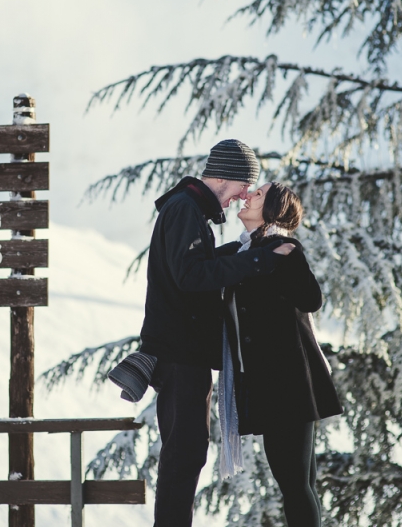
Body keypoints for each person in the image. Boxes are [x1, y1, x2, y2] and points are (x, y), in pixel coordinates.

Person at [142, 139, 292, 527]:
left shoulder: (187, 210)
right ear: (224, 177)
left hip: (183, 351)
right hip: (181, 354)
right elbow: (191, 276)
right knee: (185, 454)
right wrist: (258, 259)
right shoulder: (184, 211)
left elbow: (196, 264)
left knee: (186, 453)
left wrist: (241, 251)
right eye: (245, 186)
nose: (244, 197)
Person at [221, 183, 343, 527]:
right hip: (276, 384)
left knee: (294, 485)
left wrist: (288, 255)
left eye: (257, 195)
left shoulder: (281, 247)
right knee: (299, 484)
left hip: (289, 384)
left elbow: (311, 300)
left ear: (272, 210)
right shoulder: (245, 251)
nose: (247, 196)